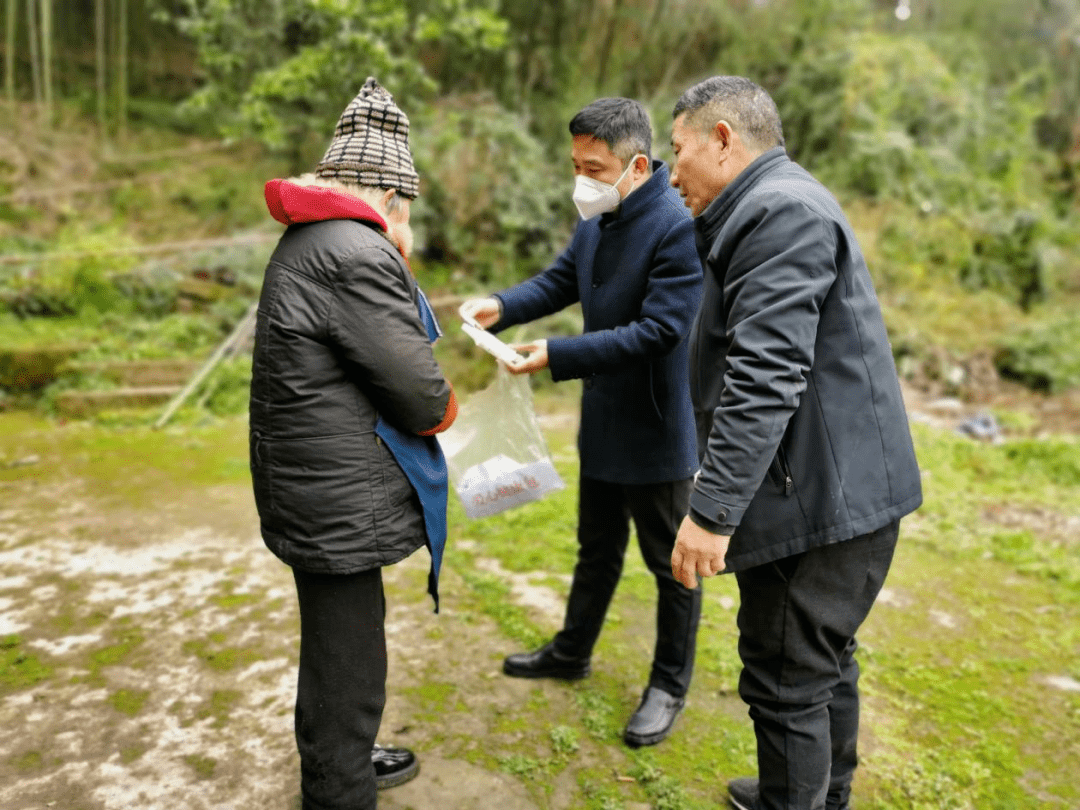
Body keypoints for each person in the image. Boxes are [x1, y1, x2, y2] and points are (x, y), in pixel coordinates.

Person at [666, 76, 923, 810]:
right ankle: (825, 796)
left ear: (723, 139)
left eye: (679, 149)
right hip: (832, 487)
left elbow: (765, 376)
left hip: (816, 502)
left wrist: (711, 512)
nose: (671, 169)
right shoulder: (776, 203)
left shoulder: (777, 213)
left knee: (787, 677)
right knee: (822, 660)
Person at [459, 97, 704, 747]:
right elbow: (563, 280)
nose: (582, 180)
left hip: (656, 430)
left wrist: (556, 355)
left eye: (594, 168)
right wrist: (501, 307)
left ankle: (669, 683)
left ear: (638, 165)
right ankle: (572, 651)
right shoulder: (596, 219)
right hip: (602, 421)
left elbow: (661, 331)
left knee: (670, 565)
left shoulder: (678, 227)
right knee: (595, 550)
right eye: (575, 165)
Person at [249, 77, 458, 809]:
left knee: (337, 648)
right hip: (333, 498)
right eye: (406, 214)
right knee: (349, 664)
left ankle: (343, 760)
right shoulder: (356, 253)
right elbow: (423, 397)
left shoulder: (309, 239)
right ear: (391, 201)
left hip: (312, 487)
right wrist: (447, 405)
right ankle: (339, 786)